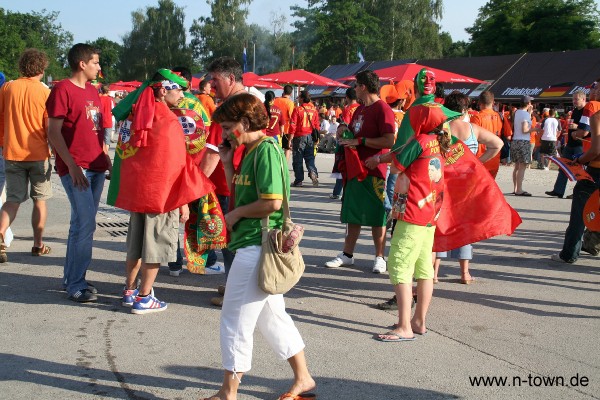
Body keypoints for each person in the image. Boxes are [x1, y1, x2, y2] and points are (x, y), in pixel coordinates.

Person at [205, 93, 315, 400]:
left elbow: (272, 203)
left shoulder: (264, 150)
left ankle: (229, 391)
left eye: (228, 127)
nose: (225, 134)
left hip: (257, 244)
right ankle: (303, 378)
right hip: (254, 243)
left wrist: (236, 214)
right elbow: (240, 191)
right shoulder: (250, 150)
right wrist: (227, 163)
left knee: (235, 317)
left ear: (244, 122)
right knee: (272, 317)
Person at [109, 68, 214, 314]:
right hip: (162, 196)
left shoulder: (136, 114)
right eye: (178, 89)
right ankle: (145, 298)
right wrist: (183, 201)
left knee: (135, 247)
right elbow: (175, 166)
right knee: (154, 248)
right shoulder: (167, 121)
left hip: (139, 194)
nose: (182, 94)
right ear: (164, 90)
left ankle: (129, 290)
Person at [366, 103, 461, 341]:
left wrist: (384, 158)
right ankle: (418, 321)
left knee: (399, 265)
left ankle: (404, 326)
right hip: (430, 212)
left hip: (412, 211)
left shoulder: (420, 141)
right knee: (423, 269)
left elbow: (397, 168)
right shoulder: (440, 141)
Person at [46, 43, 110, 303]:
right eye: (95, 62)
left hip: (94, 166)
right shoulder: (63, 89)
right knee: (85, 224)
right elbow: (53, 132)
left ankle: (71, 278)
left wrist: (106, 160)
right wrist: (72, 166)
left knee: (80, 226)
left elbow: (95, 132)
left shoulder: (93, 91)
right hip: (77, 168)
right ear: (82, 64)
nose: (99, 67)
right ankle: (76, 283)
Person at [324, 70, 395, 273]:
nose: (354, 89)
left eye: (356, 85)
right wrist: (343, 129)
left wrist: (360, 141)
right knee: (352, 214)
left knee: (377, 216)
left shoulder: (383, 109)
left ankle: (380, 257)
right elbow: (354, 134)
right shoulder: (360, 109)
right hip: (356, 169)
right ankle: (347, 254)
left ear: (363, 86)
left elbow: (390, 141)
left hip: (374, 169)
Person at [432, 91, 502, 285]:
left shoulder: (441, 129)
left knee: (441, 226)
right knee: (464, 226)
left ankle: (435, 273)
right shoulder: (472, 129)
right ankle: (464, 273)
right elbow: (498, 144)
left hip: (444, 182)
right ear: (464, 109)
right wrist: (478, 162)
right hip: (466, 184)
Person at [205, 56, 250, 306]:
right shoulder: (252, 102)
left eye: (215, 79)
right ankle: (235, 285)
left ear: (231, 79)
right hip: (241, 180)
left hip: (230, 181)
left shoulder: (229, 107)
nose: (211, 85)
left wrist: (198, 184)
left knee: (232, 238)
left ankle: (236, 293)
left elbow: (213, 151)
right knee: (237, 238)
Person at [0, 49, 52, 263]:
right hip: (38, 153)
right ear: (41, 68)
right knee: (39, 200)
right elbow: (49, 126)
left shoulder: (8, 87)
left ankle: (0, 235)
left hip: (12, 152)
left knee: (12, 200)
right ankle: (38, 244)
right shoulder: (45, 92)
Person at [551, 79, 600, 263]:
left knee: (580, 213)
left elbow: (595, 149)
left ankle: (569, 254)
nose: (593, 90)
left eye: (596, 87)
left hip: (595, 170)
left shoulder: (595, 110)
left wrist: (579, 160)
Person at [546, 91, 587, 198]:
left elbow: (587, 129)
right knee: (563, 167)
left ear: (583, 99)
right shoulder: (575, 111)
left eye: (576, 99)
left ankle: (577, 192)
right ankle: (558, 191)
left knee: (579, 169)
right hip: (571, 143)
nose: (574, 101)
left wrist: (576, 126)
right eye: (573, 99)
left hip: (580, 144)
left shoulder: (586, 111)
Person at [289, 90, 319, 187]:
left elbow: (293, 125)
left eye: (299, 97)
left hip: (299, 136)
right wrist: (317, 139)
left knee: (297, 159)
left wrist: (290, 138)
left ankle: (299, 180)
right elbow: (316, 125)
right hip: (310, 136)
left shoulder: (298, 109)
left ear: (302, 98)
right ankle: (312, 171)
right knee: (309, 157)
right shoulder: (314, 110)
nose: (298, 99)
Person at [470, 90, 503, 178]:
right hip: (494, 157)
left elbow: (472, 137)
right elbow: (507, 134)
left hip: (481, 157)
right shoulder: (500, 116)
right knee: (490, 187)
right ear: (493, 102)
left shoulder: (477, 117)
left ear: (479, 102)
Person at [510, 95, 534, 196]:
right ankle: (519, 189)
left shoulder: (517, 112)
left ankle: (515, 188)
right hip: (523, 141)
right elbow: (525, 130)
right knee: (522, 166)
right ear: (528, 104)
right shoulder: (525, 115)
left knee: (516, 166)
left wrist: (529, 114)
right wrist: (535, 129)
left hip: (515, 140)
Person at [273, 85, 295, 158]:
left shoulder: (276, 100)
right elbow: (292, 117)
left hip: (275, 128)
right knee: (287, 149)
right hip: (286, 129)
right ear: (291, 93)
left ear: (283, 91)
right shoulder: (290, 103)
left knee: (276, 148)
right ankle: (285, 166)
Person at [99, 85, 115, 151]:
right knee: (107, 139)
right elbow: (113, 110)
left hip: (99, 120)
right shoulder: (110, 100)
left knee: (100, 138)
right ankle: (106, 154)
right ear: (108, 91)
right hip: (108, 120)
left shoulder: (98, 98)